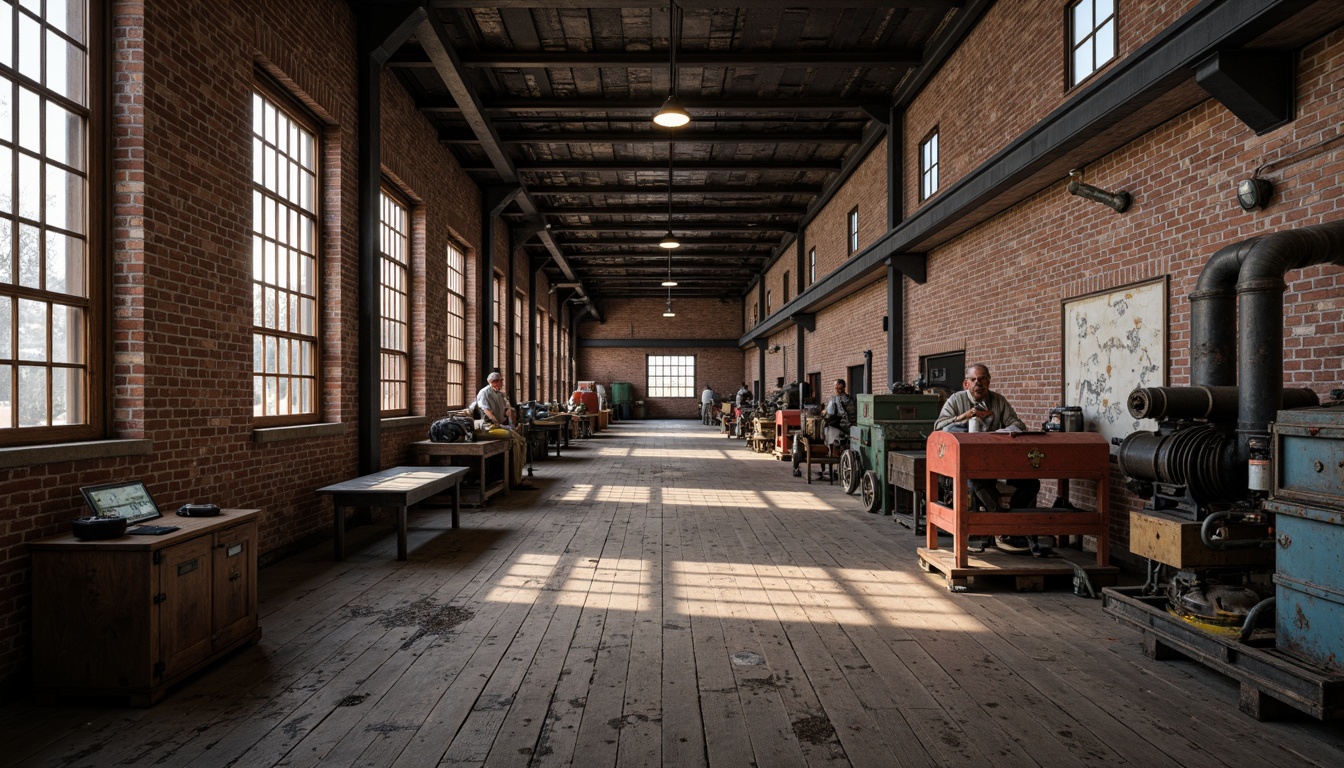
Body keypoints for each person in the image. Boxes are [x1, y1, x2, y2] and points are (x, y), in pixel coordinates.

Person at [935, 363, 1043, 553]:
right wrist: (963, 417)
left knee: (1031, 483)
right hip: (970, 464)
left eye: (983, 379)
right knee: (979, 482)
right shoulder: (956, 400)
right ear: (966, 383)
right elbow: (938, 427)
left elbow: (1018, 423)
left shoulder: (998, 401)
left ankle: (1010, 520)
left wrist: (1000, 431)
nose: (979, 384)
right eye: (974, 380)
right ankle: (1002, 523)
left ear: (989, 381)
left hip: (999, 461)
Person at [475, 372, 535, 490]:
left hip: (501, 424)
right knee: (514, 438)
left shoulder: (500, 394)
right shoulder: (484, 393)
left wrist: (510, 414)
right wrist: (495, 421)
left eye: (501, 381)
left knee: (519, 440)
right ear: (493, 382)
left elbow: (507, 409)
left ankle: (515, 476)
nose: (501, 384)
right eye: (500, 381)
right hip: (489, 426)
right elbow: (486, 410)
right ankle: (513, 478)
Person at [793, 379, 855, 477]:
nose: (836, 390)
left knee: (821, 429)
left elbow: (829, 414)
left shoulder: (835, 399)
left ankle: (797, 467)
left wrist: (824, 413)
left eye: (836, 388)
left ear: (838, 388)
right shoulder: (851, 399)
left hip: (839, 428)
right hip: (851, 428)